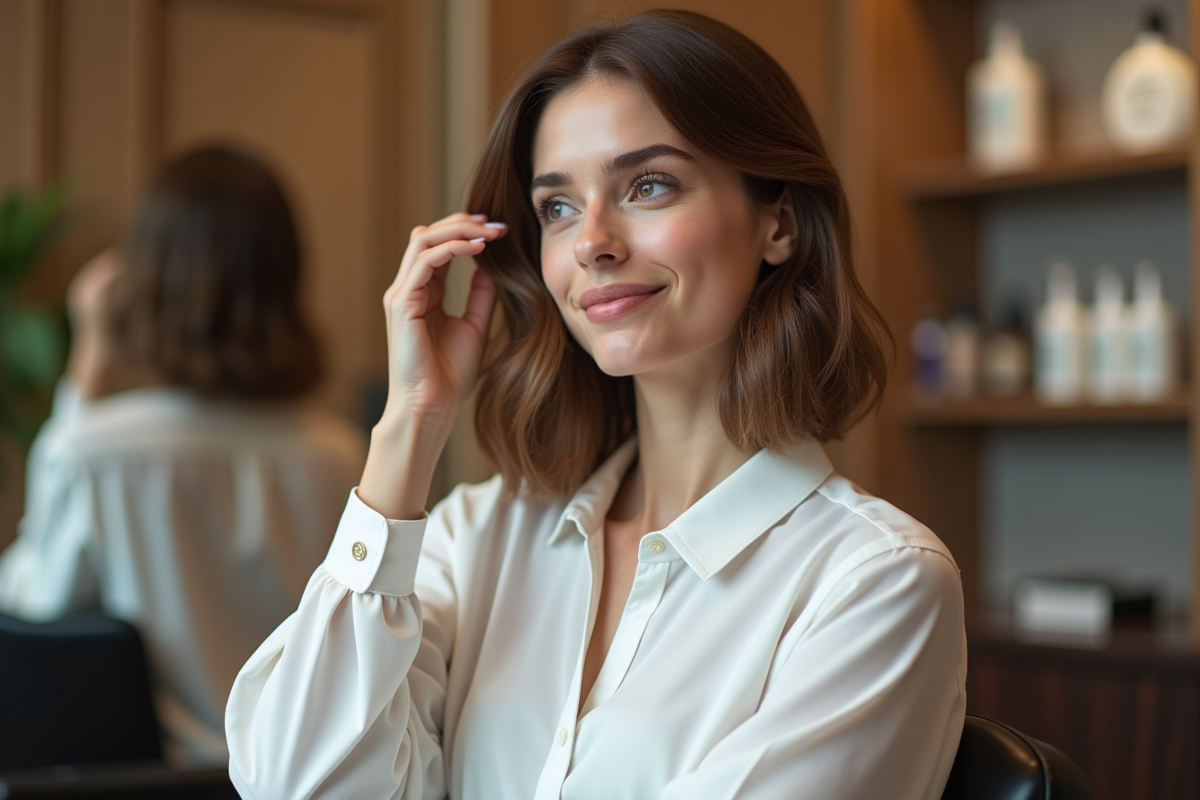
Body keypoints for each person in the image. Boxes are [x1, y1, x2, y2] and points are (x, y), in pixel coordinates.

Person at [225, 11, 965, 799]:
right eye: (559, 207)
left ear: (778, 221)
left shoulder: (875, 582)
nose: (592, 243)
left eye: (648, 185)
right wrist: (410, 423)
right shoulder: (479, 537)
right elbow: (293, 783)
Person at [0, 147, 366, 766]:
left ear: (141, 280)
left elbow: (33, 611)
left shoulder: (90, 451)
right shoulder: (342, 454)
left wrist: (87, 370)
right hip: (302, 781)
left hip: (144, 785)